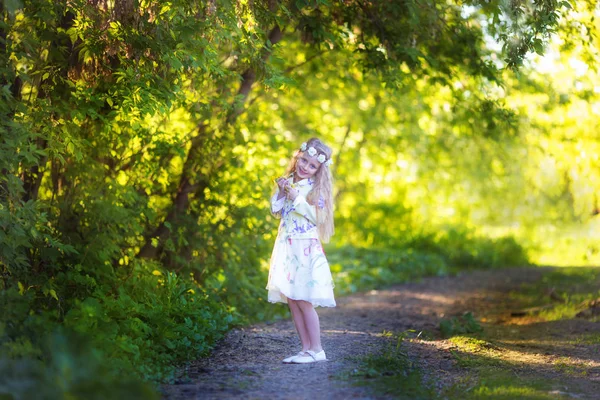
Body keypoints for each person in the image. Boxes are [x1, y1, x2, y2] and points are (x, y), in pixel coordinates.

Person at [266, 137, 336, 364]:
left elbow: (317, 218)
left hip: (305, 248)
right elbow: (276, 210)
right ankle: (305, 349)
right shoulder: (289, 181)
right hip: (287, 247)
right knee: (292, 299)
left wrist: (297, 198)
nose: (305, 167)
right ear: (298, 157)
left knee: (304, 299)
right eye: (304, 161)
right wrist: (281, 191)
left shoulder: (316, 190)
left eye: (312, 165)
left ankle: (317, 349)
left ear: (319, 170)